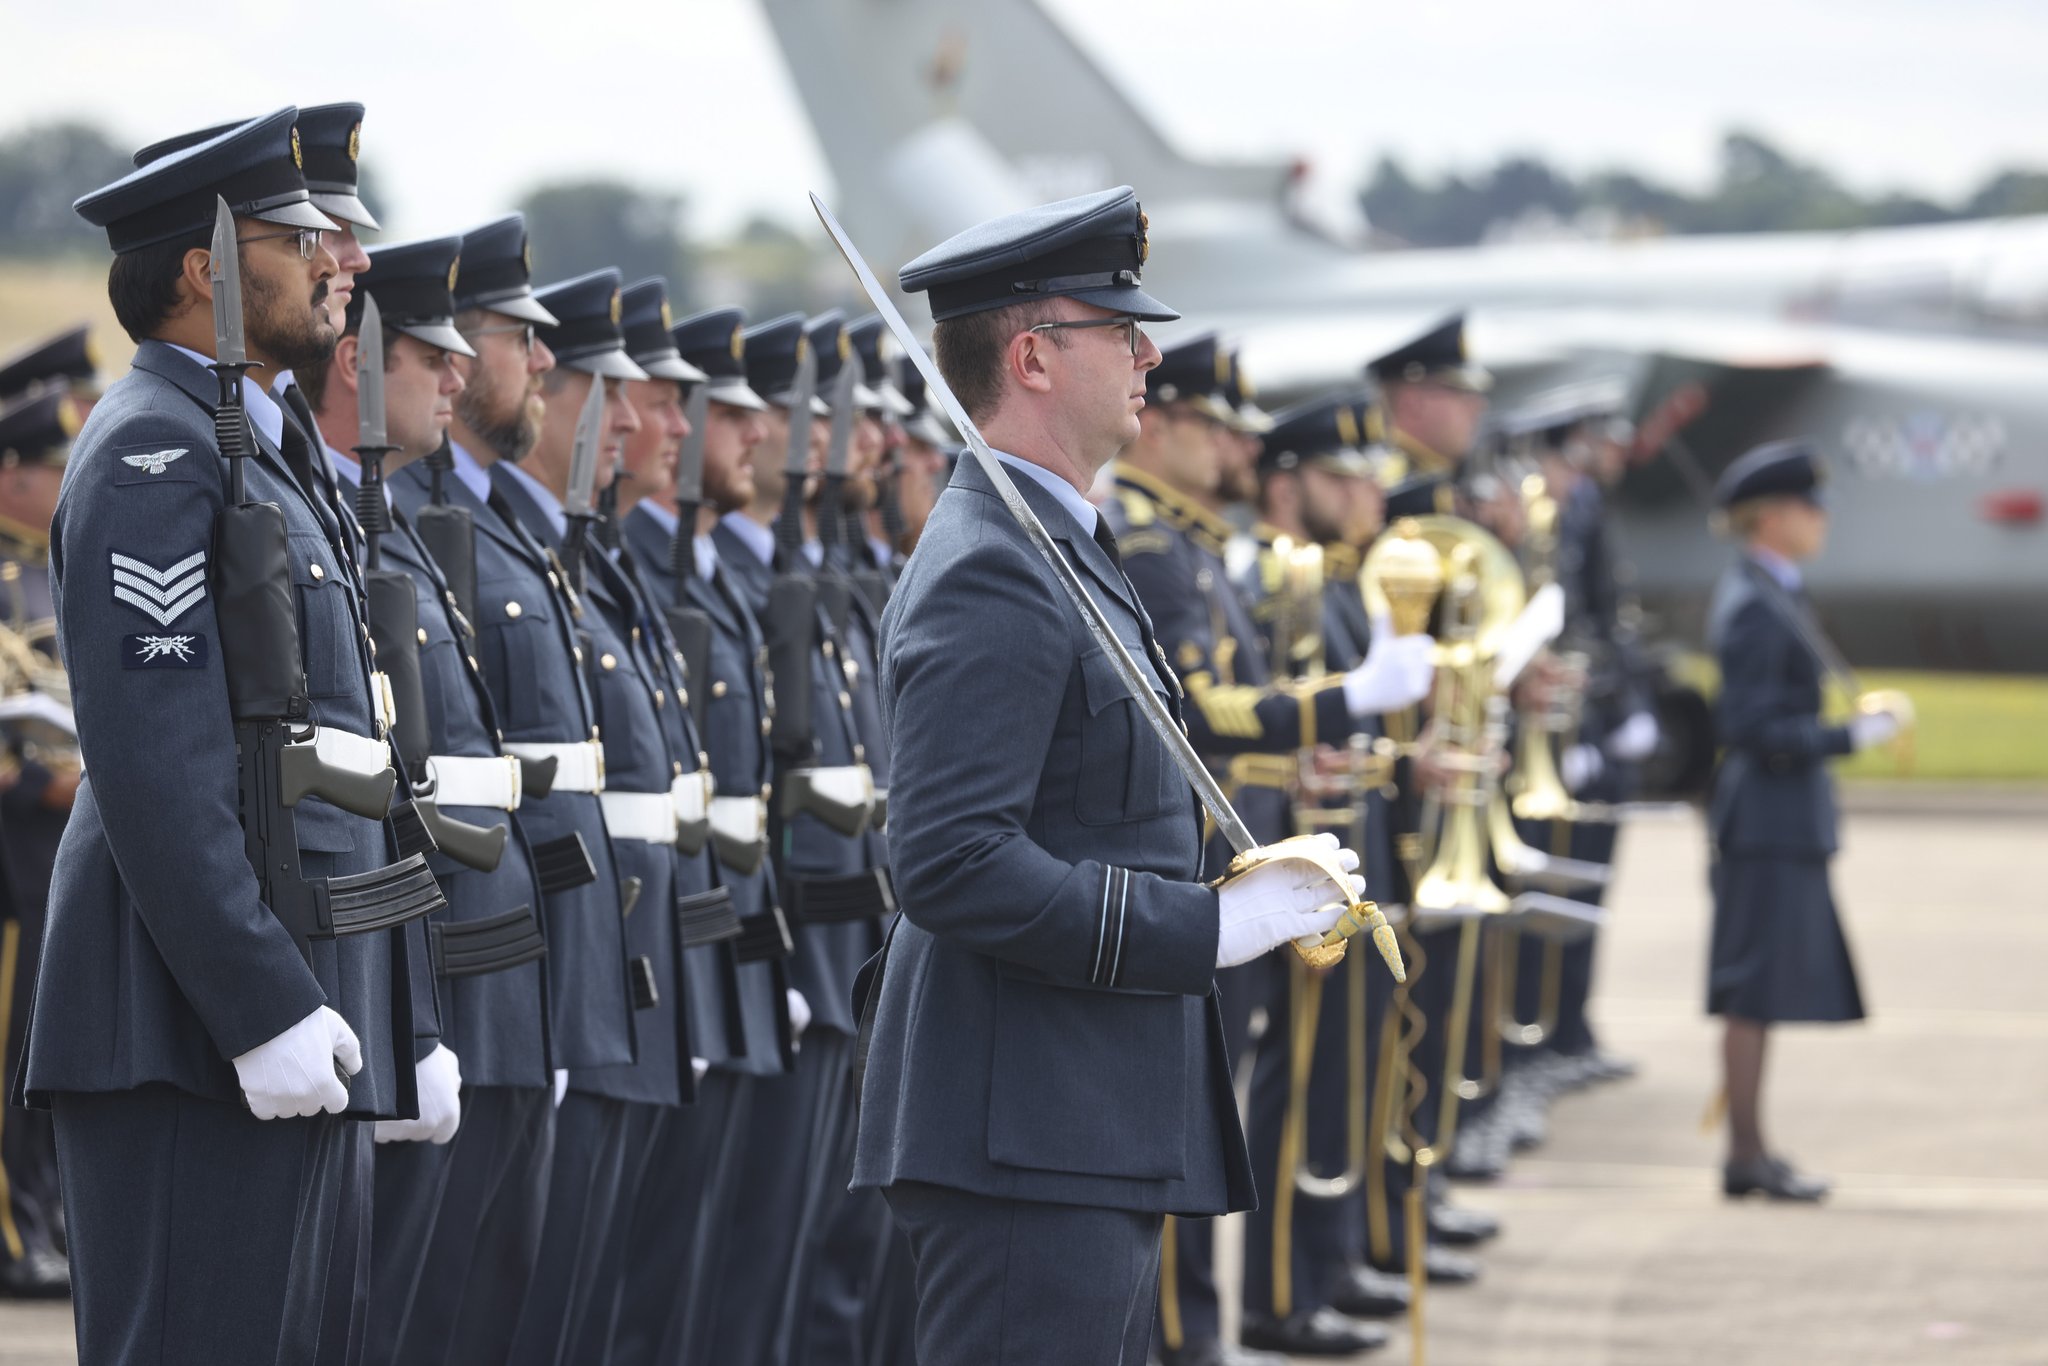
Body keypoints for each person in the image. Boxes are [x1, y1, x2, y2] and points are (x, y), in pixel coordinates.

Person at [849, 186, 1367, 1366]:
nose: (1149, 353)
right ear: (1030, 356)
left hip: (1073, 1115)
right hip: (1022, 1124)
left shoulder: (1056, 543)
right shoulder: (994, 565)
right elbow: (952, 860)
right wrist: (1207, 927)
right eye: (1116, 329)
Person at [39, 106, 436, 1364]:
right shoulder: (154, 449)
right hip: (184, 1025)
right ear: (209, 270)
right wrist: (260, 1001)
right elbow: (155, 759)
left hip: (274, 1017)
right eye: (309, 234)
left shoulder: (266, 453)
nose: (347, 261)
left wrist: (398, 1015)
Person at [1107, 336, 1426, 1363]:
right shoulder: (1153, 549)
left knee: (1222, 1110)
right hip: (1194, 873)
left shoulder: (1189, 546)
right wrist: (1342, 702)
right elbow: (1199, 711)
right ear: (1157, 424)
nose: (1232, 446)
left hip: (1229, 865)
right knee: (1191, 1115)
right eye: (1212, 424)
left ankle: (1198, 1327)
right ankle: (1179, 1332)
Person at [299, 233, 562, 1366]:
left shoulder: (400, 527)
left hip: (465, 976)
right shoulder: (360, 528)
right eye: (432, 354)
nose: (456, 377)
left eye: (469, 350)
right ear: (360, 358)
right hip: (391, 980)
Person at [386, 220, 639, 1363]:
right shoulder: (425, 528)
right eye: (514, 337)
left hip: (541, 965)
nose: (538, 362)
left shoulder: (508, 535)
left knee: (518, 1302)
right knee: (429, 1310)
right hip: (465, 981)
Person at [616, 303, 794, 1365]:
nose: (734, 434)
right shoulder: (640, 566)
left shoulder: (707, 571)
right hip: (654, 966)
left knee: (736, 1270)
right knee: (643, 1290)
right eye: (697, 409)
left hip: (729, 957)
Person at [1705, 439, 1903, 1201]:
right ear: (1774, 516)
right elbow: (1753, 728)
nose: (1822, 519)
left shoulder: (1773, 588)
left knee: (1761, 991)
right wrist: (1848, 737)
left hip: (1778, 820)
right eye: (1810, 506)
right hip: (1765, 821)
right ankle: (1745, 1156)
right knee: (1753, 991)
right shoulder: (1756, 603)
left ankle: (1752, 1150)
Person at [0, 383, 84, 1301]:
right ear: (10, 472)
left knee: (50, 1047)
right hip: (16, 849)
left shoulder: (58, 565)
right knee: (8, 1048)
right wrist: (38, 781)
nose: (67, 480)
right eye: (53, 466)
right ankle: (10, 1230)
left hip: (68, 846)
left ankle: (48, 1218)